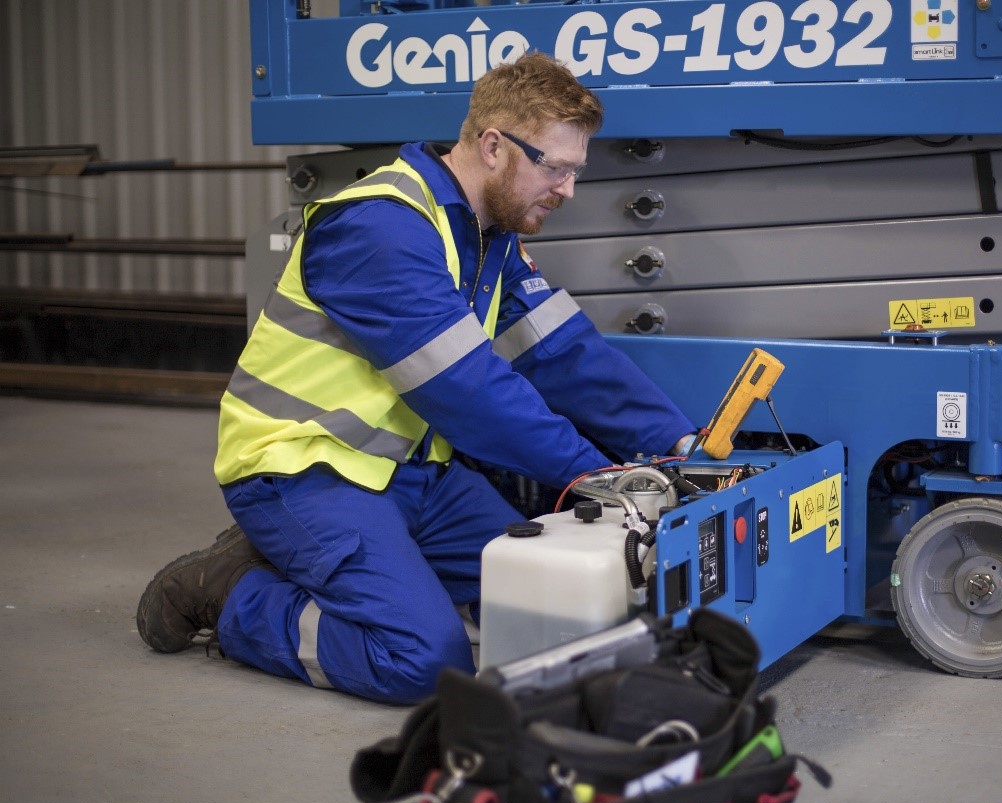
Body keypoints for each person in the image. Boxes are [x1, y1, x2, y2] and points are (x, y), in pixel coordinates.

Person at [135, 52, 695, 704]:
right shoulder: (381, 228)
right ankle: (229, 593)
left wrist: (685, 444)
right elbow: (467, 390)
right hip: (305, 472)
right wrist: (594, 477)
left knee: (557, 602)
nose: (568, 189)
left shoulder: (489, 240)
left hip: (415, 475)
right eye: (557, 167)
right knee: (422, 661)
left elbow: (565, 356)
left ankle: (348, 566)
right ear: (493, 146)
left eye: (576, 171)